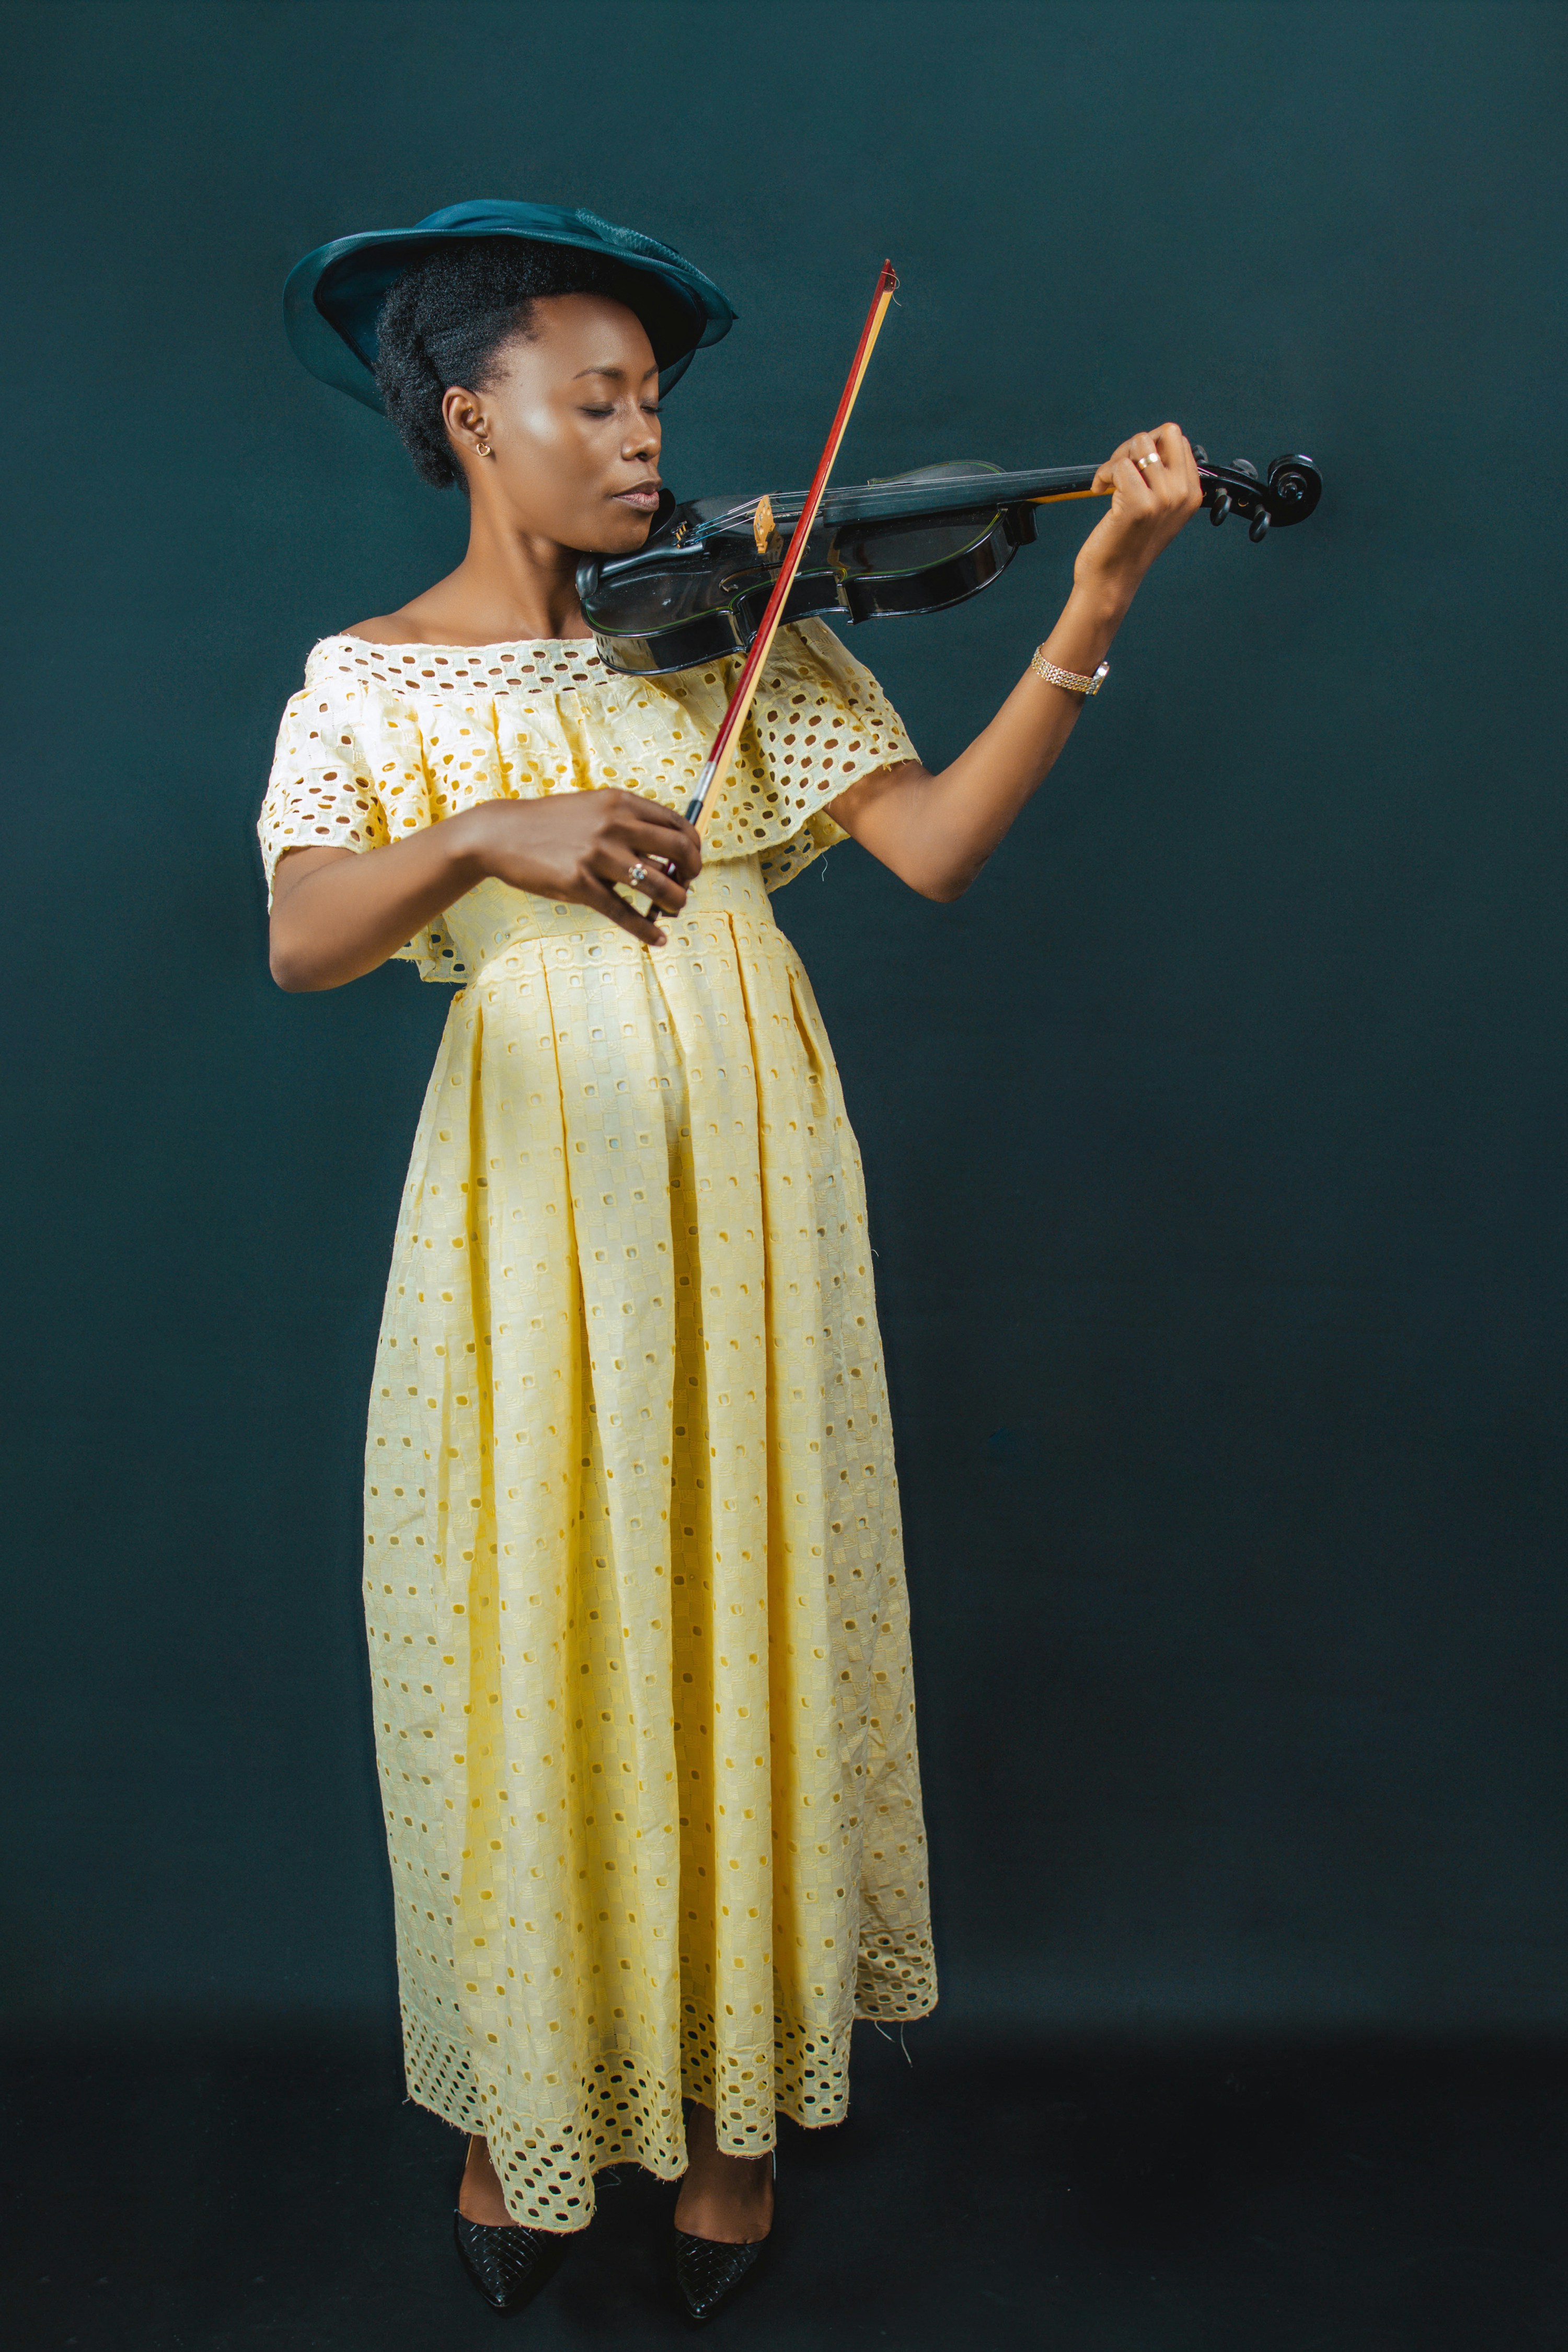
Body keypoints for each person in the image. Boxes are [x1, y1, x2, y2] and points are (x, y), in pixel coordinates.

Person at [261, 200, 1201, 2323]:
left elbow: (939, 848)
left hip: (754, 1188)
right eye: (591, 401)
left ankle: (735, 2135)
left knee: (738, 1595)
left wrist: (1097, 600)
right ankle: (525, 2108)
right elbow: (309, 937)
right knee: (535, 1609)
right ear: (464, 418)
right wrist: (489, 835)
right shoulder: (370, 687)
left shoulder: (732, 636)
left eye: (653, 405)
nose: (639, 441)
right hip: (525, 1219)